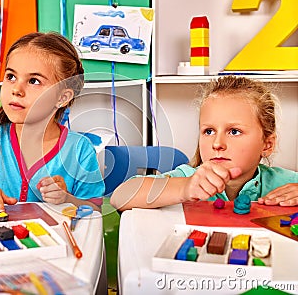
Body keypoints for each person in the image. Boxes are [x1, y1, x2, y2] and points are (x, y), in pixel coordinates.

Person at [0, 32, 104, 212]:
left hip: (56, 239)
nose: (16, 89)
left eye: (34, 81)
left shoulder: (80, 149)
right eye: (11, 76)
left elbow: (95, 209)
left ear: (62, 97)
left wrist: (66, 199)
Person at [110, 75, 298, 211]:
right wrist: (185, 187)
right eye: (209, 131)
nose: (217, 143)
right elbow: (120, 196)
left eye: (234, 131)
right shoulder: (189, 177)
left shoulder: (284, 183)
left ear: (267, 144)